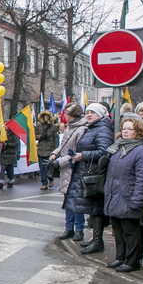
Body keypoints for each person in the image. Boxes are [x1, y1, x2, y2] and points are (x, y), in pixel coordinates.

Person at [101, 117, 143, 272]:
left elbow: (142, 178)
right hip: (114, 196)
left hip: (128, 197)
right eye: (124, 128)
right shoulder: (117, 148)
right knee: (118, 230)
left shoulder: (141, 151)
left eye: (130, 129)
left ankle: (132, 261)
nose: (126, 131)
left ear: (138, 132)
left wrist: (137, 200)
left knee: (130, 232)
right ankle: (120, 257)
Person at [70, 103, 114, 254]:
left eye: (93, 113)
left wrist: (83, 156)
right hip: (88, 174)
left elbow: (104, 152)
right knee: (93, 210)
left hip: (95, 175)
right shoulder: (93, 127)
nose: (89, 115)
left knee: (96, 209)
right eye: (87, 112)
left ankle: (97, 242)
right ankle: (95, 239)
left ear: (100, 115)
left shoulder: (102, 129)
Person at [49, 102, 88, 242]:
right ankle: (69, 228)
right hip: (67, 169)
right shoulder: (70, 128)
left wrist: (59, 161)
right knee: (67, 200)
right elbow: (63, 145)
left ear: (73, 115)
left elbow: (76, 152)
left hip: (75, 169)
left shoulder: (81, 129)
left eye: (66, 113)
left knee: (76, 201)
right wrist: (54, 154)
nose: (64, 115)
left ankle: (79, 229)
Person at [35, 109, 57, 191]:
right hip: (41, 149)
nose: (46, 118)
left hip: (50, 149)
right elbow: (35, 136)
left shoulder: (53, 127)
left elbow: (55, 139)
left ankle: (51, 179)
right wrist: (41, 136)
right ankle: (44, 183)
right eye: (44, 116)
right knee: (42, 168)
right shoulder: (38, 126)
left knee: (49, 167)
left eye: (47, 116)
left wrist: (55, 151)